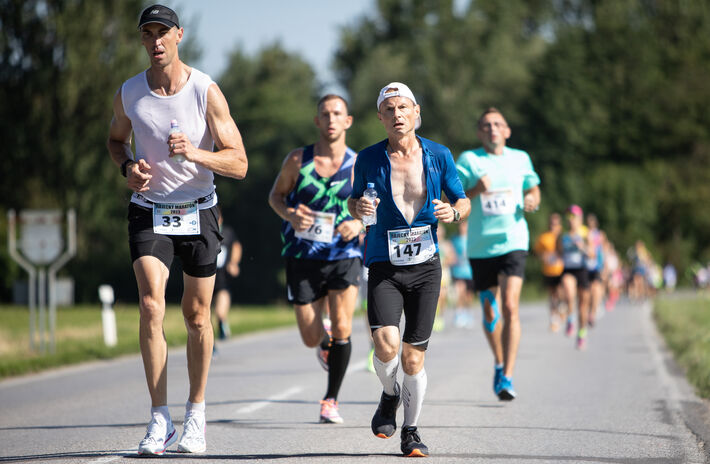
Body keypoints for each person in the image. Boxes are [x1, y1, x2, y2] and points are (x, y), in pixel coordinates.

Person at [106, 4, 247, 455]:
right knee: (150, 304)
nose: (156, 42)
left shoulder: (205, 91)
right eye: (148, 35)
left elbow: (239, 163)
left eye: (163, 33)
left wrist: (196, 154)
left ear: (179, 35)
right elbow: (115, 139)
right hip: (149, 209)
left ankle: (197, 414)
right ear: (143, 41)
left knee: (196, 317)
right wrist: (127, 166)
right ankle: (159, 419)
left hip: (199, 210)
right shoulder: (129, 92)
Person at [348, 82, 470, 457]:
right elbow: (354, 202)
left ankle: (411, 431)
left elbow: (462, 199)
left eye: (403, 108)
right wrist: (358, 209)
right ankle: (390, 394)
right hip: (384, 263)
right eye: (389, 109)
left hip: (426, 266)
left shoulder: (438, 154)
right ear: (380, 117)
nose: (397, 115)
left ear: (416, 112)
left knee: (413, 357)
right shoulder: (367, 158)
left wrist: (454, 211)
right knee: (385, 347)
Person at [268, 94, 362, 425]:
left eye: (338, 113)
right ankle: (323, 342)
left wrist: (360, 222)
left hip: (344, 254)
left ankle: (331, 400)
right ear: (317, 121)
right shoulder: (298, 160)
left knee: (343, 326)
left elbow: (375, 207)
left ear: (348, 121)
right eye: (326, 113)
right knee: (311, 338)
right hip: (302, 255)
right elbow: (275, 197)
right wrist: (291, 214)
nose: (332, 119)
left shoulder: (359, 165)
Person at [455, 107, 541, 400]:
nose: (492, 129)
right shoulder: (469, 160)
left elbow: (534, 188)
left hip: (514, 241)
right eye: (486, 125)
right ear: (480, 132)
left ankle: (507, 376)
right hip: (481, 246)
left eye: (498, 124)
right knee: (490, 311)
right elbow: (454, 198)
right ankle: (499, 361)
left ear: (507, 131)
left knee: (511, 307)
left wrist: (531, 198)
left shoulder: (520, 159)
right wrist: (477, 189)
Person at [558, 205, 592, 349]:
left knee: (583, 306)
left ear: (580, 219)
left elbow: (592, 254)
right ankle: (571, 319)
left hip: (582, 269)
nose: (570, 220)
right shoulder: (563, 236)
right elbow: (558, 253)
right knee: (569, 291)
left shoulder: (585, 234)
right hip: (568, 269)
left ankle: (582, 333)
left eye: (573, 217)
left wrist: (582, 247)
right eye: (568, 217)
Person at [213, 209, 242, 343]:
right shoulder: (203, 231)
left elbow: (236, 246)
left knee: (220, 308)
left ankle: (222, 321)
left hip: (222, 275)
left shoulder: (227, 232)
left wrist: (234, 263)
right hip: (204, 272)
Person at [533, 213, 564, 332]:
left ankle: (562, 309)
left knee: (561, 293)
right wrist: (543, 256)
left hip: (562, 270)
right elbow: (536, 252)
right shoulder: (544, 237)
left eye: (555, 224)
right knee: (552, 295)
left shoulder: (563, 237)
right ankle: (553, 319)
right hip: (549, 270)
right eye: (551, 223)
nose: (553, 226)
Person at [450, 221, 476, 328]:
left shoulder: (472, 239)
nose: (463, 228)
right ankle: (459, 314)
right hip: (458, 271)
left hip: (470, 272)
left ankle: (468, 313)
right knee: (460, 291)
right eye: (462, 226)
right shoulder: (454, 239)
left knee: (468, 295)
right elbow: (451, 252)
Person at [584, 213, 605, 327]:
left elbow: (602, 250)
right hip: (586, 265)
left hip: (596, 265)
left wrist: (604, 266)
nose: (590, 224)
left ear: (595, 223)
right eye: (588, 222)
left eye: (592, 222)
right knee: (587, 292)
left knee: (596, 288)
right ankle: (588, 311)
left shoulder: (599, 234)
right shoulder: (584, 233)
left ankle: (592, 313)